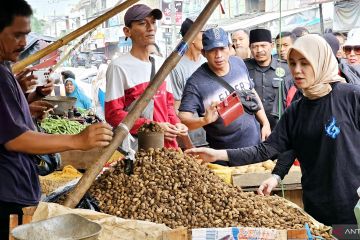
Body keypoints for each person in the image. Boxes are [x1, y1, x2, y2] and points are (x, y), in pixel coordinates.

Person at [185, 34, 360, 225]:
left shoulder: (350, 97)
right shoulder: (297, 108)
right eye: (292, 64)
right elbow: (268, 149)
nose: (297, 71)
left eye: (304, 63)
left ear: (320, 61)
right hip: (317, 208)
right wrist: (217, 155)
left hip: (353, 207)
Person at [0, 1, 113, 238]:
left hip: (16, 186)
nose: (23, 43)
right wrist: (77, 140)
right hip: (8, 191)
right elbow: (15, 139)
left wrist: (30, 102)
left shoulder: (6, 69)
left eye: (26, 35)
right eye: (16, 35)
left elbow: (6, 121)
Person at [178, 28, 271, 165]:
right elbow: (182, 119)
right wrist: (204, 120)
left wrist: (265, 122)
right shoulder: (195, 83)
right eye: (212, 50)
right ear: (204, 53)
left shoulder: (238, 63)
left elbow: (251, 92)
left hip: (255, 147)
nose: (218, 55)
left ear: (229, 48)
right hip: (225, 157)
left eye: (222, 48)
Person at [105, 4, 188, 148]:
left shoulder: (162, 64)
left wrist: (177, 124)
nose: (151, 28)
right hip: (139, 148)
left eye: (153, 22)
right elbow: (113, 114)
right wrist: (153, 127)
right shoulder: (119, 66)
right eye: (143, 23)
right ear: (127, 31)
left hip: (167, 147)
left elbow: (168, 106)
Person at [170, 17, 208, 147]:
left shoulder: (207, 62)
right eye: (203, 32)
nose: (206, 36)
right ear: (191, 37)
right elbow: (175, 106)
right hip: (191, 139)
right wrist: (186, 140)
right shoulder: (176, 67)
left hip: (212, 136)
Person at [245, 29, 293, 129]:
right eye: (255, 46)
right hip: (252, 128)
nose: (259, 50)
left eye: (263, 46)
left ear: (271, 46)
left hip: (280, 127)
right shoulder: (243, 68)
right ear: (250, 48)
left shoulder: (287, 69)